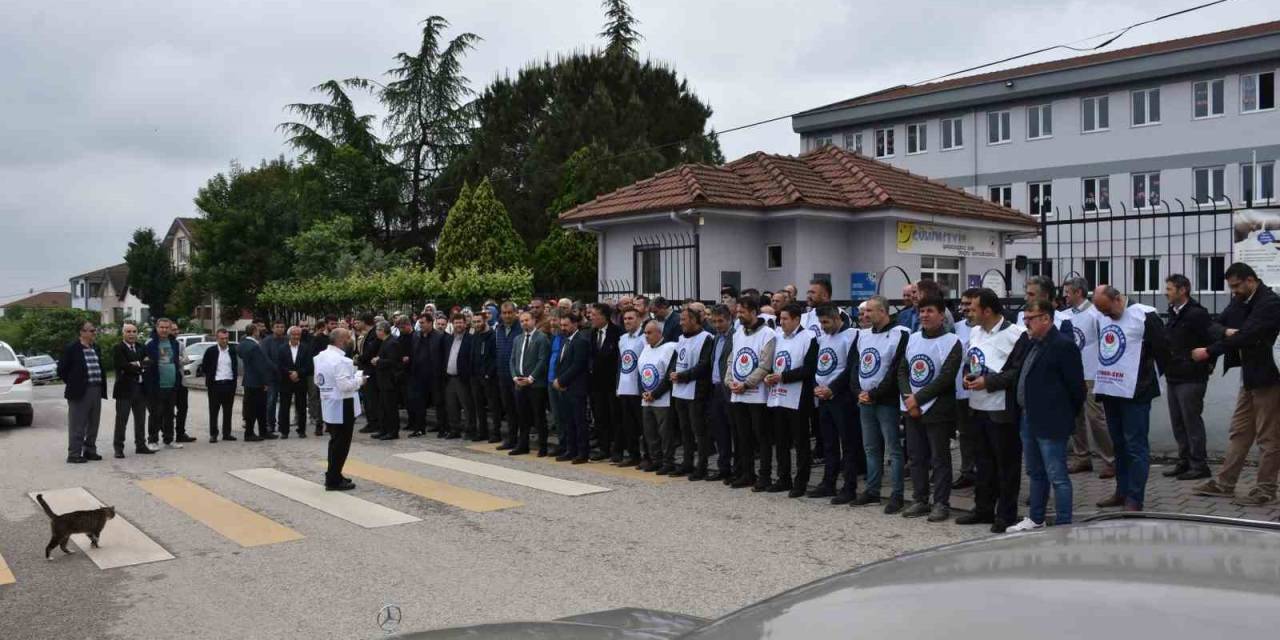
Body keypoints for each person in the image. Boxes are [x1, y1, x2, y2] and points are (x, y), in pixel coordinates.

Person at [1192, 262, 1280, 505]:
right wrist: (1226, 332)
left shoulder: (1269, 303)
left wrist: (1210, 351)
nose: (1234, 291)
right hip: (1250, 377)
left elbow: (1249, 335)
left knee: (1268, 436)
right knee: (1240, 431)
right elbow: (1214, 325)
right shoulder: (1240, 300)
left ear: (1251, 280)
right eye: (1231, 287)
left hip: (1269, 380)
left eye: (1237, 286)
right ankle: (1224, 483)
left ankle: (1265, 489)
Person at [1008, 299, 1085, 531]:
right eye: (1025, 319)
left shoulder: (1062, 345)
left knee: (1057, 475)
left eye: (1030, 319)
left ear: (1046, 319)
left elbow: (1077, 388)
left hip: (1052, 421)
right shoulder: (1033, 343)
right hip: (1029, 418)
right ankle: (1036, 518)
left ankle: (1063, 523)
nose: (1026, 323)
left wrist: (1064, 415)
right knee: (1035, 472)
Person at [1091, 285, 1169, 511]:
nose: (1106, 315)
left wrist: (1150, 379)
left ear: (1118, 299)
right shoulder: (1102, 316)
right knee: (1119, 445)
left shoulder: (1145, 315)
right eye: (1101, 311)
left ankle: (1135, 498)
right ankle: (1121, 491)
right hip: (1110, 389)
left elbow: (1163, 350)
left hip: (1137, 391)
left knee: (1135, 446)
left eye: (1108, 310)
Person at [960, 289, 1030, 533]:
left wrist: (988, 382)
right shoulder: (975, 331)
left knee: (1006, 464)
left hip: (1002, 409)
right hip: (977, 406)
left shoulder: (1016, 334)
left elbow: (1017, 373)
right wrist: (967, 378)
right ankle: (983, 509)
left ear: (987, 310)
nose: (968, 312)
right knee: (983, 463)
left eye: (973, 308)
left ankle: (1006, 513)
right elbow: (970, 361)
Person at [898, 296, 963, 522]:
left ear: (941, 314)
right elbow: (903, 370)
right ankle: (920, 499)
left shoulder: (952, 341)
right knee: (916, 457)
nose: (924, 315)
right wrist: (909, 397)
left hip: (938, 409)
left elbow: (946, 378)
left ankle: (941, 503)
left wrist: (918, 399)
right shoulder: (913, 339)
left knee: (939, 459)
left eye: (930, 311)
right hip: (911, 407)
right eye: (921, 311)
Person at [854, 296, 910, 512]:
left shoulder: (900, 334)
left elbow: (896, 369)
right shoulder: (863, 335)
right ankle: (872, 490)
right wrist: (859, 392)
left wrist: (875, 393)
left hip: (886, 400)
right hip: (864, 399)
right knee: (870, 448)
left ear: (883, 312)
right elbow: (856, 366)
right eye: (864, 311)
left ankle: (897, 495)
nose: (865, 315)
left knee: (893, 450)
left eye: (870, 311)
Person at [1061, 277, 1116, 478]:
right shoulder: (1063, 316)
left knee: (1095, 417)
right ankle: (1082, 457)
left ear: (1078, 292)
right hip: (1071, 373)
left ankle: (1111, 459)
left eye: (1068, 291)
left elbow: (1107, 342)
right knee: (1075, 417)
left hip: (1092, 372)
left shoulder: (1096, 314)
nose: (1064, 295)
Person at [1161, 274, 1214, 481]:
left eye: (1170, 289)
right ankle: (1184, 461)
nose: (1166, 292)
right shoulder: (1173, 313)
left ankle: (1199, 465)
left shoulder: (1197, 314)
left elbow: (1211, 341)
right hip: (1174, 375)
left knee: (1191, 421)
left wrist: (1207, 365)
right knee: (1178, 422)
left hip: (1192, 377)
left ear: (1183, 290)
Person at [808, 303, 859, 502]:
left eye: (826, 322)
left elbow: (851, 367)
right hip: (824, 397)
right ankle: (828, 482)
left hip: (842, 398)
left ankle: (849, 485)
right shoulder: (823, 339)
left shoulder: (852, 335)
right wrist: (816, 386)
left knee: (848, 444)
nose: (823, 326)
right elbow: (818, 366)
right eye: (820, 322)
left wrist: (833, 388)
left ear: (837, 318)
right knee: (829, 443)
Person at [765, 303, 816, 494]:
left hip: (798, 397)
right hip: (778, 396)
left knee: (801, 442)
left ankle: (801, 481)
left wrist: (784, 377)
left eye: (786, 319)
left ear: (796, 319)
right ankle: (783, 478)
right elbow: (772, 362)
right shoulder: (777, 336)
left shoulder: (809, 337)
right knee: (781, 440)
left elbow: (809, 368)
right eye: (781, 319)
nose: (782, 322)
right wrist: (769, 375)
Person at [727, 295, 776, 490]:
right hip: (737, 392)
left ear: (754, 312)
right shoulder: (738, 333)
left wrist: (747, 384)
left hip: (757, 394)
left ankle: (764, 476)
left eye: (742, 312)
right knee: (742, 436)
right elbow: (732, 359)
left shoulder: (768, 334)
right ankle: (747, 474)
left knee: (761, 437)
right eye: (738, 311)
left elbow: (765, 364)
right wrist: (729, 381)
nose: (738, 315)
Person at [315, 328, 365, 491]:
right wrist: (359, 380)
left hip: (329, 401)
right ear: (341, 341)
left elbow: (318, 381)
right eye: (348, 338)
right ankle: (334, 480)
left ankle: (334, 473)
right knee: (341, 443)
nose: (351, 340)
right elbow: (345, 386)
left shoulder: (321, 356)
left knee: (335, 440)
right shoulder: (342, 361)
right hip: (343, 404)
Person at [671, 305, 715, 479]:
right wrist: (673, 372)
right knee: (685, 430)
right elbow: (675, 359)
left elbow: (704, 365)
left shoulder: (706, 338)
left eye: (684, 319)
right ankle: (687, 462)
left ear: (695, 320)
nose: (681, 323)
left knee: (699, 430)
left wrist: (683, 376)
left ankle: (701, 465)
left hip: (696, 390)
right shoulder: (681, 338)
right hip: (679, 390)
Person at [58, 320, 107, 463]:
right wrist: (74, 383)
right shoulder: (72, 348)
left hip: (96, 389)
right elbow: (62, 370)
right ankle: (74, 454)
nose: (94, 333)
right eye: (91, 331)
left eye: (94, 330)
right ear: (82, 332)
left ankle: (90, 450)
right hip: (80, 392)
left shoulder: (95, 347)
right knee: (77, 424)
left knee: (93, 423)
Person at [638, 320, 678, 473]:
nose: (646, 336)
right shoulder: (645, 349)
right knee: (650, 432)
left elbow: (669, 375)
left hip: (662, 398)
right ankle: (656, 460)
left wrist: (655, 394)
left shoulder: (669, 348)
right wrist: (644, 392)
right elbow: (640, 374)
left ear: (659, 333)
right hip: (646, 398)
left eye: (649, 333)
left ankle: (668, 462)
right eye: (645, 333)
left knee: (665, 433)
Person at [510, 311, 551, 456]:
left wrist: (531, 378)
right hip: (519, 383)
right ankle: (523, 445)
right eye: (521, 321)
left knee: (538, 416)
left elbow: (542, 360)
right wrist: (515, 376)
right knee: (522, 416)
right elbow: (512, 359)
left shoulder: (542, 338)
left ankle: (543, 446)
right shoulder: (518, 339)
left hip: (535, 384)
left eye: (527, 320)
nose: (524, 323)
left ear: (533, 321)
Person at [553, 312, 591, 463]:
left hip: (576, 388)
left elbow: (577, 365)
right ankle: (571, 449)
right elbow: (561, 362)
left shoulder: (580, 341)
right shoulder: (565, 340)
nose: (563, 328)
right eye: (561, 325)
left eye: (566, 325)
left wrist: (561, 381)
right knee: (568, 420)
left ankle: (582, 452)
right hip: (565, 388)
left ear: (575, 324)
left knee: (579, 421)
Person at [143, 318, 186, 449]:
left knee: (169, 414)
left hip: (172, 384)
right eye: (161, 327)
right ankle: (152, 440)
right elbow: (145, 363)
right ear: (157, 327)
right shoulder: (150, 343)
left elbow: (177, 362)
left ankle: (168, 439)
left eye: (167, 327)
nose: (164, 330)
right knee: (155, 414)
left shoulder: (174, 343)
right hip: (157, 385)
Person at [587, 302, 622, 461]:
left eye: (594, 315)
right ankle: (603, 448)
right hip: (596, 384)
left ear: (603, 316)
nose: (591, 317)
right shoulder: (592, 333)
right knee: (600, 417)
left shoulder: (617, 333)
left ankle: (617, 449)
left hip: (611, 383)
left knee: (614, 417)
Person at [111, 323, 151, 458]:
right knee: (122, 420)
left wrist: (135, 364)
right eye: (128, 331)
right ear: (123, 333)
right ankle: (118, 448)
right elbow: (123, 366)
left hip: (140, 389)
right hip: (124, 391)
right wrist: (140, 364)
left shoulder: (141, 346)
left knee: (140, 420)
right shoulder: (118, 348)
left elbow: (149, 362)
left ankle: (141, 445)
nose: (131, 334)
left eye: (134, 331)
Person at [951, 290, 978, 490]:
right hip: (961, 389)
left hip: (982, 389)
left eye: (969, 304)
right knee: (966, 433)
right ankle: (967, 471)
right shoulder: (957, 327)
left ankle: (983, 470)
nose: (965, 308)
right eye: (963, 304)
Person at [613, 308, 646, 466]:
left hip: (638, 389)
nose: (627, 321)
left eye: (630, 318)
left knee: (643, 425)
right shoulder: (623, 338)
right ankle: (633, 456)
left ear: (639, 319)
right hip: (625, 387)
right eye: (625, 319)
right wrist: (618, 385)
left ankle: (648, 456)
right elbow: (621, 363)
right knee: (628, 425)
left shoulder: (644, 338)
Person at [707, 305, 735, 483]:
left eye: (720, 321)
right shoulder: (716, 337)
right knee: (720, 430)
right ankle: (723, 466)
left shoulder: (735, 337)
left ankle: (738, 467)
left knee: (734, 430)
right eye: (714, 321)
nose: (717, 325)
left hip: (730, 388)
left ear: (729, 319)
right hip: (716, 388)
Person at [238, 323, 275, 442]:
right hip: (257, 381)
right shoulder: (254, 346)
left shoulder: (242, 344)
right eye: (258, 330)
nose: (260, 331)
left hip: (249, 380)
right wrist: (265, 382)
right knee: (256, 409)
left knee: (256, 408)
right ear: (254, 331)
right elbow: (260, 366)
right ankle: (250, 433)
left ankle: (262, 431)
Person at [275, 326, 313, 438]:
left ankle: (301, 430)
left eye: (298, 335)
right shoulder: (282, 348)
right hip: (286, 381)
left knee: (301, 406)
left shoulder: (306, 348)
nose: (296, 337)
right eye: (294, 334)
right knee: (284, 406)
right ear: (289, 335)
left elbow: (309, 366)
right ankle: (284, 431)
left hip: (300, 381)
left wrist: (298, 373)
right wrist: (289, 373)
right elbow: (279, 365)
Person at [440, 313, 473, 440]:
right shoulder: (448, 339)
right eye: (456, 322)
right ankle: (454, 429)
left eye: (461, 322)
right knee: (451, 405)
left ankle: (470, 429)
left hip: (463, 378)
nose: (458, 325)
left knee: (467, 405)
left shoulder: (470, 339)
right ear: (452, 324)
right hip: (449, 377)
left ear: (465, 324)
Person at [202, 328, 238, 443]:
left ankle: (227, 433)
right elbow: (205, 367)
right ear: (217, 339)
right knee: (214, 411)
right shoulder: (211, 351)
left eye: (226, 338)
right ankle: (213, 434)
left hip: (229, 384)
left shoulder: (232, 351)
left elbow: (235, 366)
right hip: (215, 385)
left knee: (228, 410)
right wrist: (211, 379)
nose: (224, 341)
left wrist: (234, 382)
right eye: (222, 338)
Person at [468, 314, 500, 442]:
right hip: (475, 376)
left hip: (488, 376)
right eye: (474, 322)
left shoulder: (493, 336)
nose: (476, 324)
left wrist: (489, 373)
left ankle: (496, 432)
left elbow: (495, 356)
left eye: (478, 321)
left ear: (485, 321)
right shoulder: (475, 335)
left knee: (493, 405)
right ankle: (482, 431)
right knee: (478, 405)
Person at [493, 302, 521, 445]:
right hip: (502, 375)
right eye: (504, 313)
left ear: (515, 313)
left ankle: (522, 440)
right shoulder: (499, 328)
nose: (507, 316)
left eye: (510, 312)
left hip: (517, 376)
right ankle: (511, 439)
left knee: (520, 409)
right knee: (508, 409)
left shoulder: (521, 328)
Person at [406, 315, 437, 438]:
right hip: (418, 374)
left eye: (423, 323)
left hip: (433, 374)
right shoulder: (416, 336)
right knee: (418, 402)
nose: (421, 325)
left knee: (438, 402)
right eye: (420, 323)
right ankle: (419, 428)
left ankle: (443, 427)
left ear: (430, 323)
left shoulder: (438, 336)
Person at [372, 321, 405, 440]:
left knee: (390, 407)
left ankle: (392, 431)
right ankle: (384, 429)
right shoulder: (385, 342)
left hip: (390, 381)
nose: (376, 332)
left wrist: (378, 361)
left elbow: (394, 361)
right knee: (383, 407)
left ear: (382, 331)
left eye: (377, 330)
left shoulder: (392, 343)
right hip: (383, 381)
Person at [308, 317, 336, 436]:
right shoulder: (318, 338)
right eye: (331, 323)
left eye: (335, 323)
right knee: (322, 399)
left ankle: (331, 425)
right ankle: (319, 425)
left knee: (333, 399)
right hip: (322, 373)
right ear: (326, 325)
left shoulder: (336, 337)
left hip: (334, 373)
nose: (334, 325)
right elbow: (314, 355)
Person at [355, 314, 381, 435]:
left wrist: (359, 359)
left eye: (358, 322)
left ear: (364, 322)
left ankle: (374, 423)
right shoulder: (367, 334)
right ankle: (371, 422)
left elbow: (369, 352)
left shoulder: (374, 334)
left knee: (371, 398)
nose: (356, 324)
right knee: (367, 398)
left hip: (370, 371)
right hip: (365, 369)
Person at [261, 320, 287, 435]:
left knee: (284, 403)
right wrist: (277, 368)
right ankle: (270, 424)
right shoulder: (267, 341)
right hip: (271, 377)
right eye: (277, 327)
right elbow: (265, 358)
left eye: (282, 327)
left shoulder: (287, 340)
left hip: (285, 377)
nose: (280, 329)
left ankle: (283, 424)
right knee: (271, 402)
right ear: (272, 328)